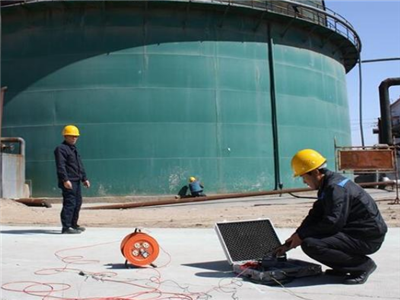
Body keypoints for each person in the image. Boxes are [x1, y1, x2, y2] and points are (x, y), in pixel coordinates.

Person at [275, 149, 387, 285]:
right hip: (356, 232)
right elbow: (315, 215)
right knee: (310, 238)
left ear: (315, 172)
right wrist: (297, 235)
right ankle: (343, 267)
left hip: (367, 237)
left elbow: (332, 223)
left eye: (304, 177)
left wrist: (303, 236)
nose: (304, 182)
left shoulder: (336, 188)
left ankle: (363, 266)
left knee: (311, 244)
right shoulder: (328, 185)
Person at [54, 125, 90, 234]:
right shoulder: (61, 149)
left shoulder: (73, 149)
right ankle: (66, 227)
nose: (74, 138)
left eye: (76, 136)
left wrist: (84, 178)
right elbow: (61, 166)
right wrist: (65, 180)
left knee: (78, 202)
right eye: (72, 136)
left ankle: (73, 224)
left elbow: (79, 165)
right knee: (70, 203)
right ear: (65, 136)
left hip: (76, 180)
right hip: (68, 181)